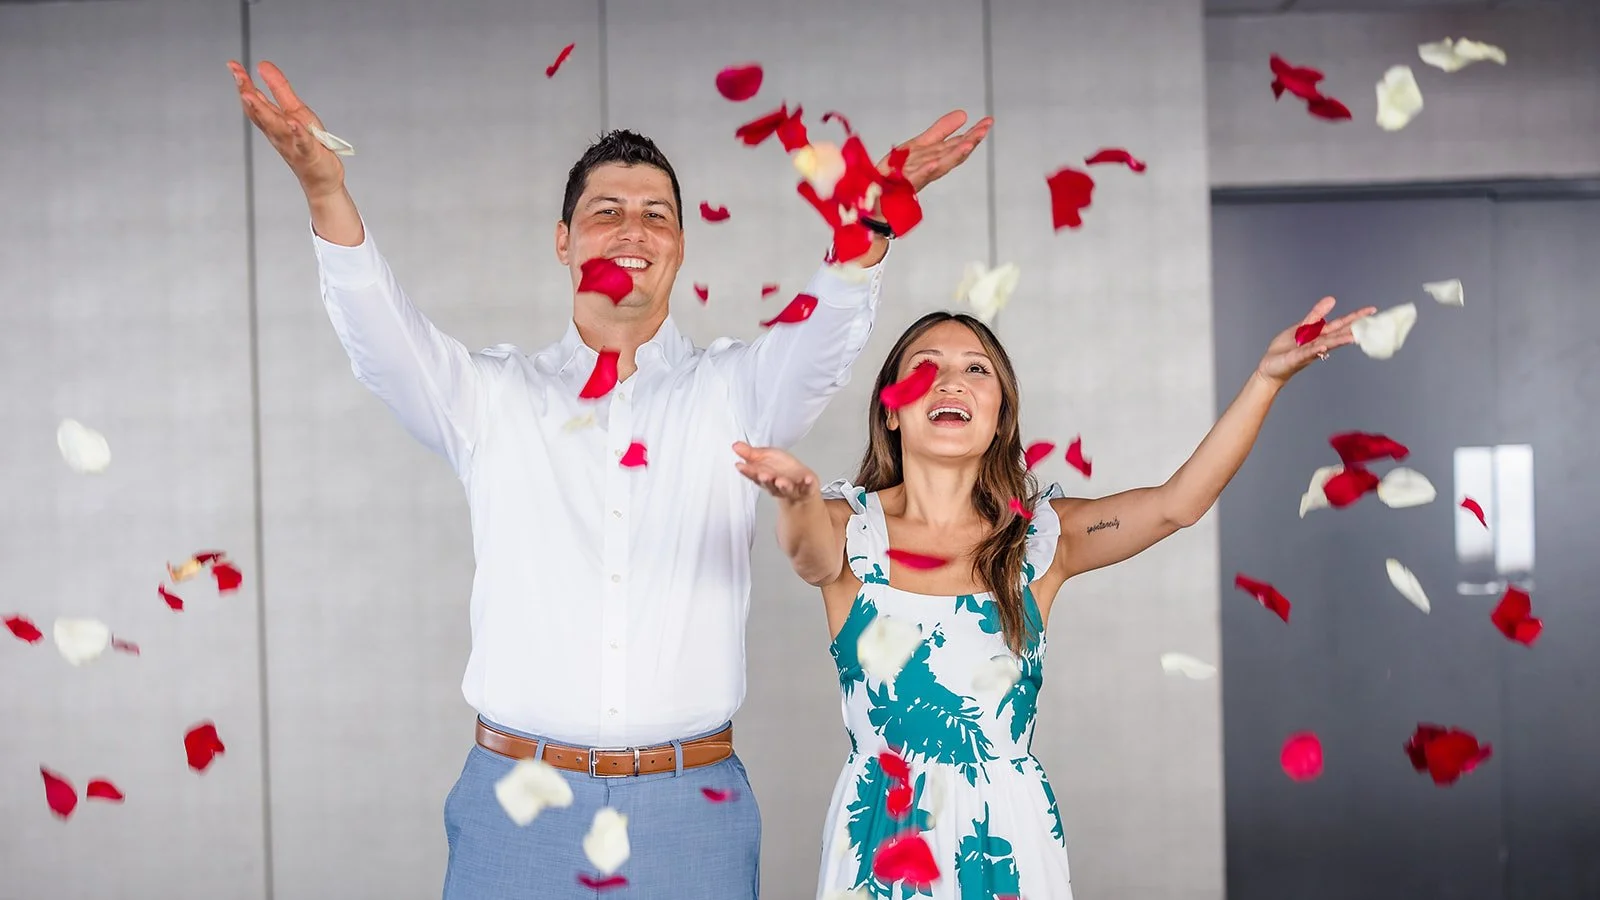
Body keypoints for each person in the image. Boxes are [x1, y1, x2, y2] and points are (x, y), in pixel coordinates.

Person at [227, 58, 991, 899]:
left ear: (681, 248)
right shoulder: (490, 398)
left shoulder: (735, 390)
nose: (633, 230)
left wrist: (873, 217)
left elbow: (825, 335)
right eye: (607, 212)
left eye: (656, 215)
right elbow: (382, 338)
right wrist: (324, 190)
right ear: (564, 241)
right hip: (515, 806)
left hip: (690, 815)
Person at [733, 301, 1374, 899]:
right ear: (892, 410)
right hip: (881, 835)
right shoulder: (852, 529)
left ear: (1000, 413)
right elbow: (808, 555)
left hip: (1008, 837)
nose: (951, 382)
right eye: (926, 368)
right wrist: (795, 498)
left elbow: (1178, 504)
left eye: (976, 370)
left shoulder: (1044, 535)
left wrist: (1266, 379)